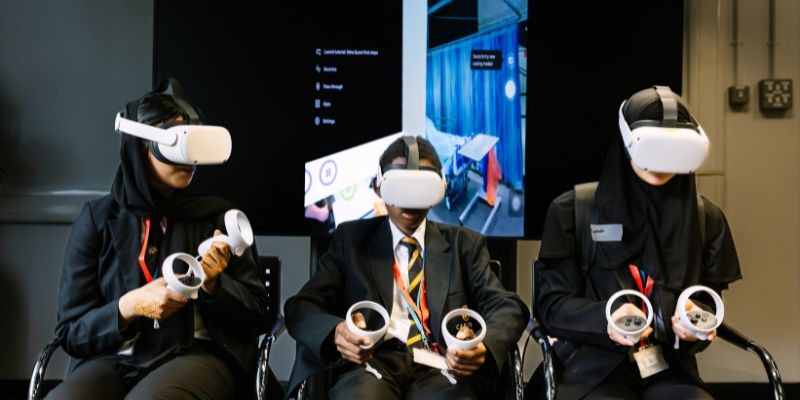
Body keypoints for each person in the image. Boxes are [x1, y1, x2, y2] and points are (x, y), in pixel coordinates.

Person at [46, 79, 271, 400]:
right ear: (140, 147)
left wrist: (214, 285)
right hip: (113, 358)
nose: (188, 159)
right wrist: (129, 306)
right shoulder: (99, 220)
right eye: (176, 144)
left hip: (196, 354)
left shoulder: (218, 218)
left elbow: (256, 318)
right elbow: (71, 334)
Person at [534, 86, 742, 399]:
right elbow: (551, 306)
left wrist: (693, 324)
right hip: (590, 368)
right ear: (627, 143)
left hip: (669, 368)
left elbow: (708, 306)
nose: (662, 163)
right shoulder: (571, 211)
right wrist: (607, 316)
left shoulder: (705, 219)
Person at [284, 136, 528, 399]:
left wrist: (483, 345)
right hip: (371, 363)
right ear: (379, 186)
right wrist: (337, 333)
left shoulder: (464, 244)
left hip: (441, 365)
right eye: (400, 189)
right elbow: (302, 306)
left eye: (419, 190)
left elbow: (508, 306)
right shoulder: (350, 240)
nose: (409, 203)